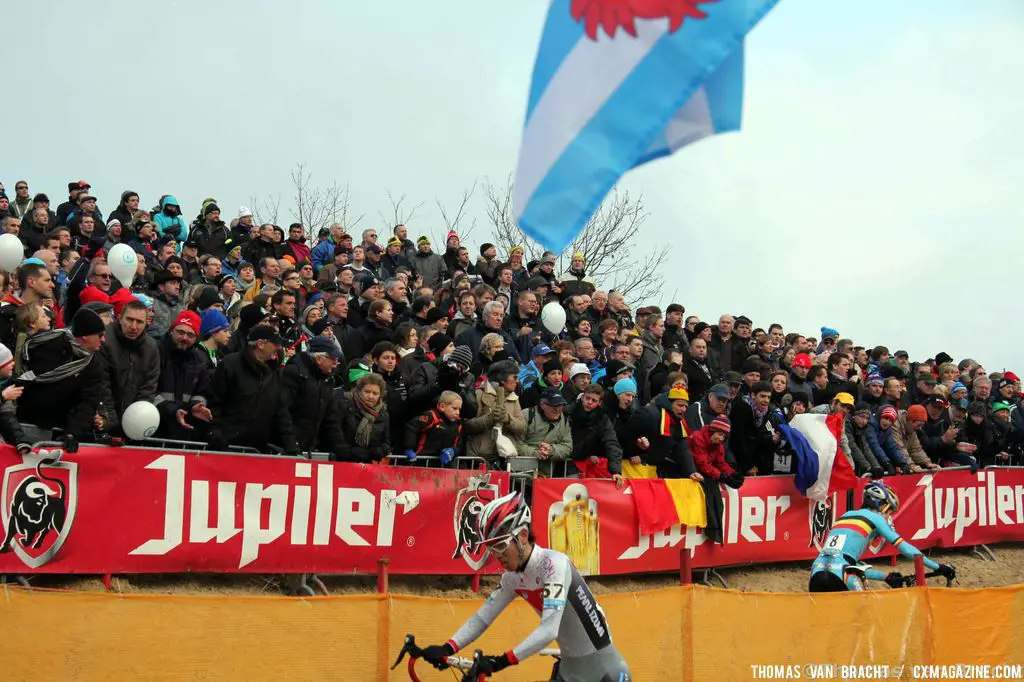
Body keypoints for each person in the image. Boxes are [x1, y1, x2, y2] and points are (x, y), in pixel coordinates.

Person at [419, 492, 632, 681]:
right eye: (492, 549)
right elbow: (482, 618)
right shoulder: (512, 578)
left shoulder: (554, 564)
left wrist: (500, 662)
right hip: (569, 672)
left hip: (604, 671)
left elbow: (549, 630)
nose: (498, 556)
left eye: (501, 546)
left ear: (522, 535)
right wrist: (448, 647)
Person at [809, 481, 954, 592]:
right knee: (862, 621)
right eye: (889, 512)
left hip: (816, 572)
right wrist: (939, 567)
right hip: (844, 575)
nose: (888, 517)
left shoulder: (845, 516)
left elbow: (848, 564)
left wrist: (886, 577)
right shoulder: (876, 518)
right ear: (882, 506)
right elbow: (907, 550)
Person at [16, 308, 108, 440]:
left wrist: (73, 433)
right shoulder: (50, 343)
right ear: (85, 335)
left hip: (58, 428)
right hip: (27, 422)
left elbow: (88, 402)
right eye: (100, 335)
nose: (103, 339)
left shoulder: (94, 365)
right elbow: (34, 377)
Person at [206, 326, 299, 454]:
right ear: (260, 344)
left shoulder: (274, 372)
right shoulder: (230, 365)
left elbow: (281, 412)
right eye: (275, 344)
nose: (279, 348)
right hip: (226, 446)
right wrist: (215, 433)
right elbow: (214, 402)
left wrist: (292, 447)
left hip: (257, 449)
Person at [281, 337, 345, 455]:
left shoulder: (327, 379)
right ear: (320, 359)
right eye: (333, 359)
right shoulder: (293, 373)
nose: (336, 364)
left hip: (309, 447)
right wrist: (291, 443)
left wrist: (342, 449)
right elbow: (282, 411)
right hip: (285, 448)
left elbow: (331, 418)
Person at [100, 298, 160, 420]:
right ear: (120, 318)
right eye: (129, 319)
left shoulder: (151, 347)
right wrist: (109, 417)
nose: (133, 326)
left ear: (146, 323)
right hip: (102, 415)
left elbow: (148, 388)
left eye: (139, 322)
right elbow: (102, 383)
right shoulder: (104, 338)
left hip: (133, 419)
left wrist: (136, 417)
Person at [463, 360, 526, 467]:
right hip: (479, 457)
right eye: (514, 377)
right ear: (502, 380)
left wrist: (507, 419)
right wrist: (489, 419)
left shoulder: (514, 399)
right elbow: (467, 425)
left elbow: (522, 427)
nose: (517, 381)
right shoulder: (478, 394)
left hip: (504, 456)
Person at [628, 386, 700, 479]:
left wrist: (691, 472)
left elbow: (682, 449)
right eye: (680, 405)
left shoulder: (680, 423)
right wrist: (633, 452)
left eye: (686, 406)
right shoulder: (649, 414)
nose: (683, 410)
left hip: (654, 468)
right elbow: (627, 434)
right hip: (633, 465)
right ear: (669, 403)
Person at [566, 384, 624, 484]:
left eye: (594, 400)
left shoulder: (603, 419)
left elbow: (612, 442)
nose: (589, 402)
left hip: (587, 463)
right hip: (565, 461)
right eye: (587, 398)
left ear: (600, 403)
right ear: (582, 396)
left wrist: (616, 471)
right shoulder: (568, 412)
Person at [333, 373, 392, 462]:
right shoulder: (345, 405)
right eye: (367, 392)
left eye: (375, 393)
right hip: (342, 461)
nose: (371, 396)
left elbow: (386, 441)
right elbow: (334, 433)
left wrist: (381, 450)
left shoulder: (383, 413)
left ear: (380, 395)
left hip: (367, 464)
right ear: (359, 390)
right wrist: (350, 452)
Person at [404, 390, 463, 466]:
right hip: (421, 462)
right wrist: (409, 448)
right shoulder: (431, 417)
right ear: (442, 407)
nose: (458, 412)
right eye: (454, 408)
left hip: (443, 464)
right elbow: (411, 427)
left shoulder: (458, 423)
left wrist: (453, 451)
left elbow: (459, 445)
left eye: (459, 409)